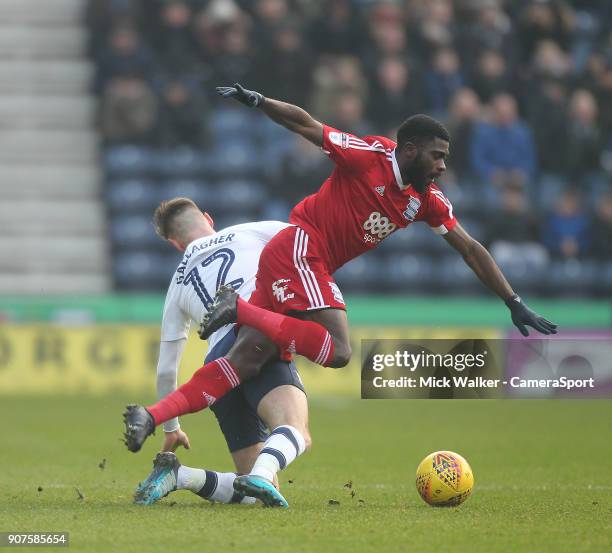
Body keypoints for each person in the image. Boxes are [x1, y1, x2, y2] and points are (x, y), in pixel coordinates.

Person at [124, 84, 558, 501]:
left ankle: (156, 418)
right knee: (339, 349)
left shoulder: (428, 200)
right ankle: (238, 310)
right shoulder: (370, 155)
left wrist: (512, 301)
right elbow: (308, 125)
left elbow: (470, 249)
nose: (443, 166)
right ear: (409, 150)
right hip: (302, 247)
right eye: (437, 156)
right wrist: (259, 101)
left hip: (296, 258)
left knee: (242, 360)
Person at [129, 197, 311, 508]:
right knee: (296, 431)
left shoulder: (177, 283)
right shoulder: (251, 231)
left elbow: (165, 370)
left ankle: (180, 476)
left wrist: (171, 429)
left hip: (217, 366)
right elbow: (305, 239)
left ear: (175, 244)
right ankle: (262, 472)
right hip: (254, 340)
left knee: (256, 493)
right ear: (209, 219)